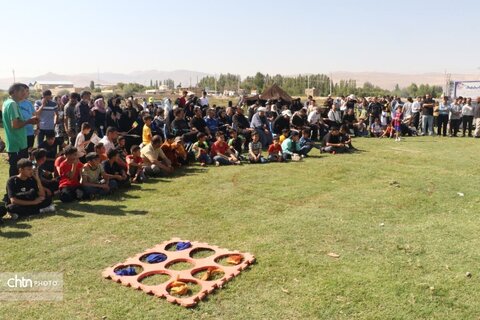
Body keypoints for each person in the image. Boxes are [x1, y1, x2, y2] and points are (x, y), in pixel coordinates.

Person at [3, 83, 39, 177]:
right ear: (14, 92)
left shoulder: (7, 102)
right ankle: (13, 190)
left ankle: (14, 190)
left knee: (16, 169)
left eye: (25, 91)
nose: (24, 93)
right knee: (17, 171)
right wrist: (29, 121)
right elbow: (15, 125)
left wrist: (29, 121)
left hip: (15, 142)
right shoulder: (12, 104)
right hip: (17, 144)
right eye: (22, 91)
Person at [18, 85, 36, 149]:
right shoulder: (14, 103)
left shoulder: (29, 103)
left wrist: (37, 127)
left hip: (30, 133)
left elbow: (34, 115)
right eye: (27, 91)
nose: (28, 93)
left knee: (29, 152)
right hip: (20, 133)